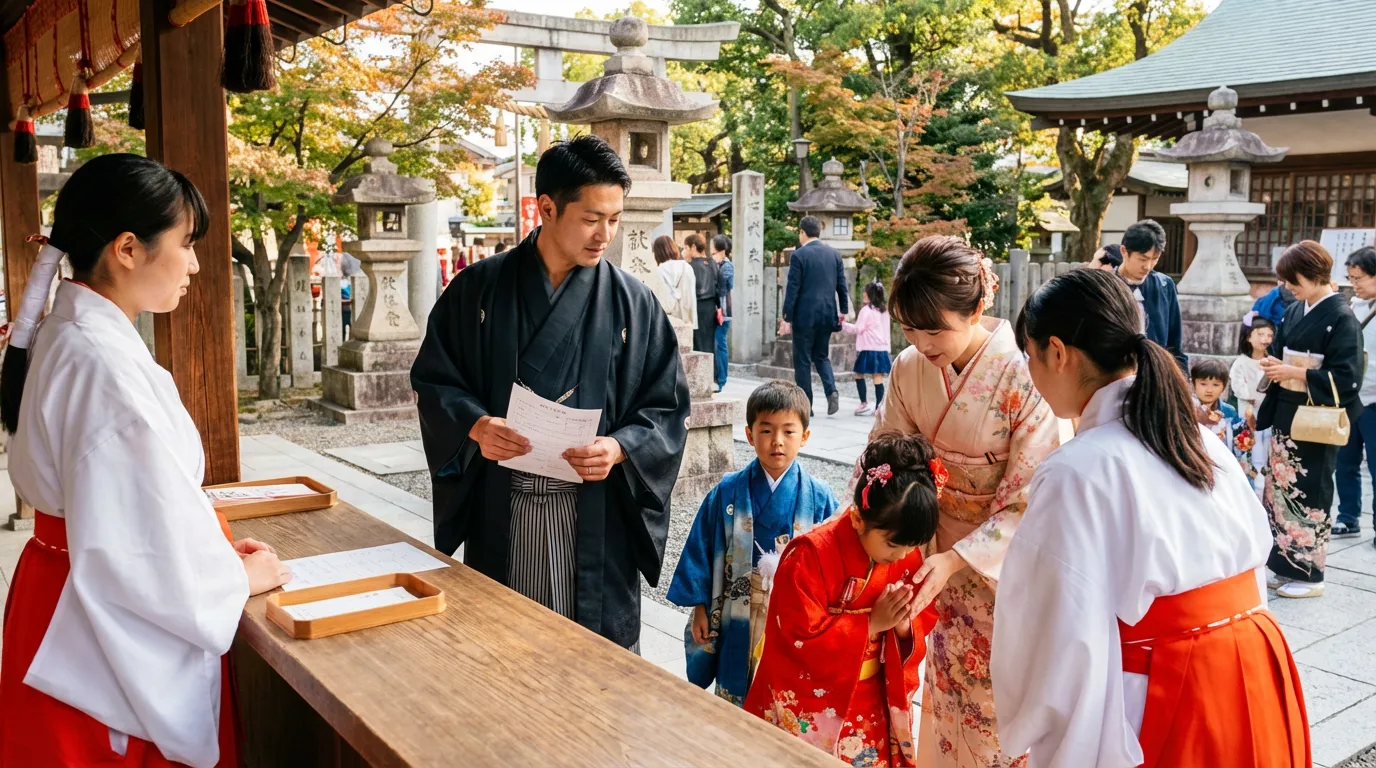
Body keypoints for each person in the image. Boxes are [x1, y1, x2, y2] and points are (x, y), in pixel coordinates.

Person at [0, 154, 293, 767]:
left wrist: (208, 554)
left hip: (60, 589)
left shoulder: (73, 333)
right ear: (128, 248)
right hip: (90, 625)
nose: (192, 263)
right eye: (186, 244)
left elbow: (133, 510)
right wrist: (235, 579)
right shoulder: (99, 361)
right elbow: (131, 548)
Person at [993, 268, 1309, 768]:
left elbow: (1053, 633)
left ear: (1057, 352)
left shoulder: (1077, 470)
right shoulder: (1198, 439)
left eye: (1029, 357)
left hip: (1168, 686)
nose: (1031, 373)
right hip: (1255, 664)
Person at [410, 136, 691, 651]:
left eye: (614, 218)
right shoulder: (478, 290)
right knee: (503, 656)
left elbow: (666, 405)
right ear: (546, 208)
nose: (605, 233)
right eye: (591, 218)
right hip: (505, 506)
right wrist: (475, 425)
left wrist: (620, 447)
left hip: (596, 514)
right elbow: (434, 378)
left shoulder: (634, 304)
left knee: (596, 666)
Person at [868, 235, 1060, 767]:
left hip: (1001, 566)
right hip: (926, 548)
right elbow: (886, 456)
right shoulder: (909, 368)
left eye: (935, 330)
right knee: (941, 684)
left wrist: (956, 559)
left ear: (978, 307)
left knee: (997, 696)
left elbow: (1031, 497)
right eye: (909, 327)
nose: (922, 343)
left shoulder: (1024, 374)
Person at [745, 431, 943, 768]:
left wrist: (903, 626)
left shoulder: (904, 554)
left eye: (912, 546)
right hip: (813, 702)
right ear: (856, 518)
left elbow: (919, 624)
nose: (903, 556)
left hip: (871, 704)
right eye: (893, 545)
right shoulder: (809, 555)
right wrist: (871, 624)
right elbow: (795, 640)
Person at [667, 380, 839, 705]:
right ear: (749, 434)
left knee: (785, 696)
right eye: (766, 430)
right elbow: (701, 549)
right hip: (737, 612)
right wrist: (702, 607)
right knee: (737, 692)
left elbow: (834, 562)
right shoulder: (727, 492)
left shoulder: (819, 497)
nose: (777, 442)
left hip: (792, 616)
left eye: (789, 432)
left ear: (804, 437)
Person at [1257, 241, 1362, 599]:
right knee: (1280, 492)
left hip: (1315, 416)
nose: (1288, 287)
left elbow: (1348, 377)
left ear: (1313, 274)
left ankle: (1310, 575)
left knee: (1312, 488)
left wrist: (1295, 372)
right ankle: (1284, 564)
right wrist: (1274, 365)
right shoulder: (1295, 309)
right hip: (1287, 412)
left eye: (1293, 279)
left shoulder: (1341, 316)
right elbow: (1280, 349)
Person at [782, 215, 849, 416]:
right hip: (828, 313)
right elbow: (841, 285)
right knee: (821, 355)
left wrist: (786, 317)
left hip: (804, 315)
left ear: (802, 232)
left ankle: (806, 406)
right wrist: (843, 310)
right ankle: (832, 391)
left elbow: (792, 288)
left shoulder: (799, 256)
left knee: (802, 359)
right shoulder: (834, 254)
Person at [1335, 246, 1376, 540]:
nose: (1355, 284)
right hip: (1351, 398)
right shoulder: (1352, 306)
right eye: (1351, 277)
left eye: (1359, 278)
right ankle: (1348, 517)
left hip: (1375, 401)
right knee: (1344, 463)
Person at [1116, 220, 1188, 372]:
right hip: (1116, 372)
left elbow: (1174, 342)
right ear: (1124, 251)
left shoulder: (1164, 285)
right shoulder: (1104, 285)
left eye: (1154, 259)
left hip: (1156, 372)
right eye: (1142, 259)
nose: (1147, 266)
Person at [1232, 315, 1276, 496]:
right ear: (1249, 337)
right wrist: (1253, 398)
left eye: (1269, 335)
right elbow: (1239, 388)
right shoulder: (1241, 362)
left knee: (1269, 454)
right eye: (1261, 334)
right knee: (1252, 455)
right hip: (1249, 413)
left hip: (1270, 413)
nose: (1265, 339)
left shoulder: (1273, 361)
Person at [843, 279, 892, 417]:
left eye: (866, 292)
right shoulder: (884, 310)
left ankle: (863, 403)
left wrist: (843, 325)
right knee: (878, 378)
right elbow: (887, 331)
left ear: (871, 295)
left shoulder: (866, 310)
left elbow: (858, 329)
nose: (864, 294)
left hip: (868, 348)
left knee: (859, 374)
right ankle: (878, 407)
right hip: (881, 349)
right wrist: (887, 348)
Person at [1191, 357, 1247, 469]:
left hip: (1220, 463)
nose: (1209, 390)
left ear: (1224, 388)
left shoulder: (1228, 411)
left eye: (1216, 385)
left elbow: (1237, 441)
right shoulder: (1188, 408)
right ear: (1193, 384)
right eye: (1203, 384)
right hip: (1194, 460)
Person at [651, 235, 697, 329]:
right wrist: (692, 322)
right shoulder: (687, 267)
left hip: (668, 320)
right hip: (685, 320)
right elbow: (691, 297)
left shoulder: (659, 270)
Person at [686, 234, 719, 354]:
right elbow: (718, 286)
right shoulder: (712, 263)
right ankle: (712, 371)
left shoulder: (689, 266)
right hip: (711, 307)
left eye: (686, 248)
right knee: (710, 343)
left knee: (697, 343)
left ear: (693, 247)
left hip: (696, 306)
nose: (685, 252)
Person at [712, 234, 734, 392]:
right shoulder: (717, 263)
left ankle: (722, 379)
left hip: (724, 311)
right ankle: (718, 377)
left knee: (720, 343)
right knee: (717, 342)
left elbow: (723, 287)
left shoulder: (726, 266)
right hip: (716, 309)